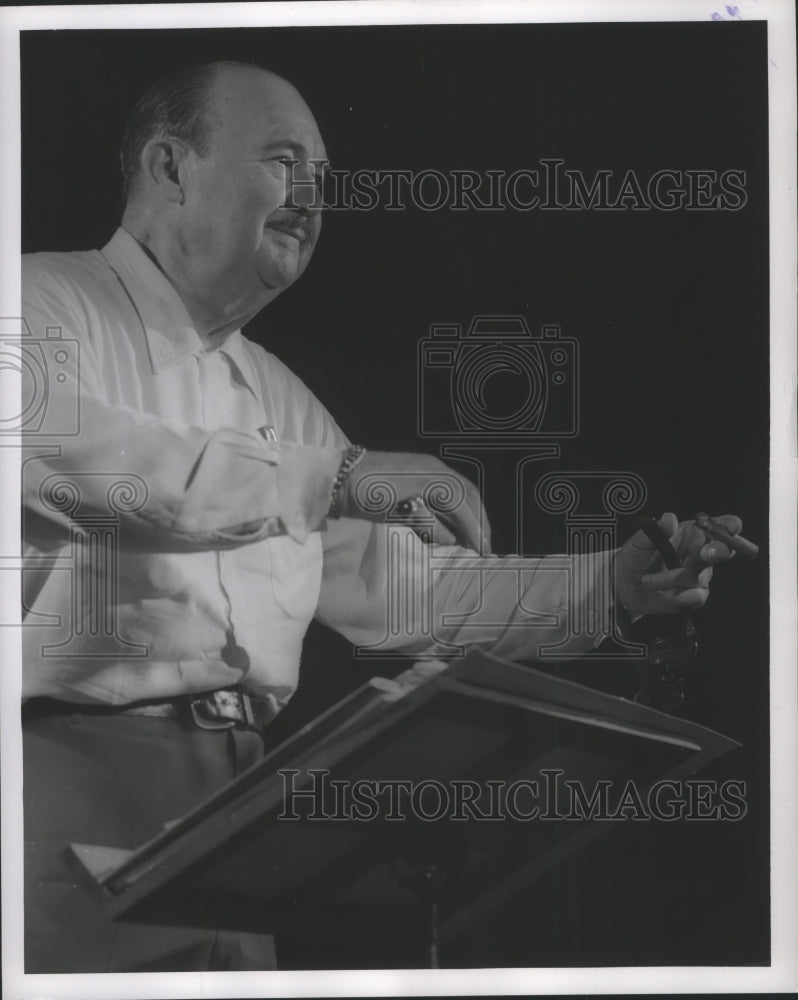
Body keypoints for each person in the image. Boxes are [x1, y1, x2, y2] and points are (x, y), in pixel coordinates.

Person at [20, 60, 743, 973]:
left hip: (237, 822)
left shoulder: (279, 395)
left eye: (324, 175)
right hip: (59, 800)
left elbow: (409, 595)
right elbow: (84, 460)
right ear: (171, 168)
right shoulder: (37, 301)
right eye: (286, 161)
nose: (314, 195)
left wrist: (613, 584)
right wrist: (348, 476)